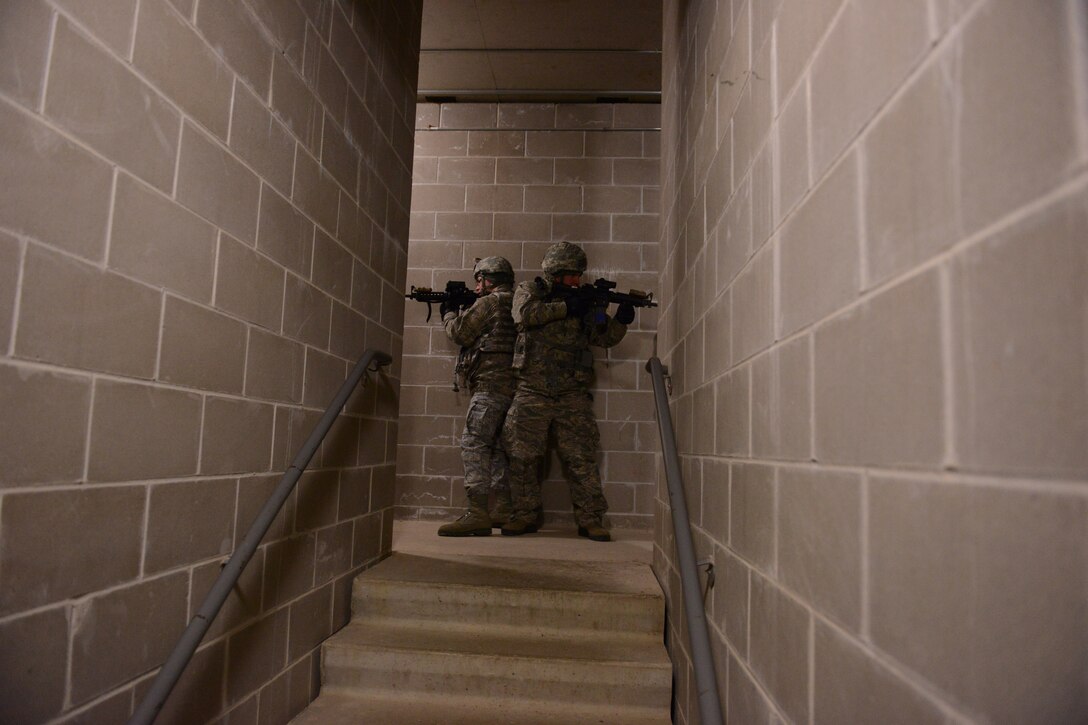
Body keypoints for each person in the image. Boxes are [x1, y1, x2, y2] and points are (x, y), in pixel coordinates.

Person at [500, 241, 636, 542]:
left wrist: (621, 320)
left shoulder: (585, 301)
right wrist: (566, 307)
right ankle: (523, 515)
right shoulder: (530, 290)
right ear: (555, 272)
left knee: (582, 458)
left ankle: (591, 519)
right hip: (531, 389)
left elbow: (602, 338)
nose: (577, 280)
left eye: (579, 274)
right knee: (522, 457)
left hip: (571, 393)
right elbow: (523, 316)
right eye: (571, 274)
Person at [436, 256, 518, 536]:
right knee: (498, 448)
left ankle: (478, 512)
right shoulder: (518, 302)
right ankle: (503, 509)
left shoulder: (489, 303)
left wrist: (448, 313)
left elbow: (460, 332)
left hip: (490, 386)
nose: (477, 285)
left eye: (479, 279)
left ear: (488, 279)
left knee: (473, 443)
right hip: (514, 387)